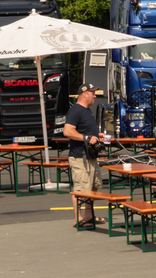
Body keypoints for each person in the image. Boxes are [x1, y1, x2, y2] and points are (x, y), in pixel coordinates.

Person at [63, 83, 105, 228]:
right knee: (81, 189)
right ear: (84, 94)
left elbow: (84, 131)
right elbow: (68, 132)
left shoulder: (88, 111)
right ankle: (77, 219)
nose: (95, 95)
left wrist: (96, 135)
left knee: (93, 187)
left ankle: (88, 216)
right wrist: (87, 138)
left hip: (91, 156)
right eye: (93, 93)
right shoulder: (75, 110)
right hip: (80, 157)